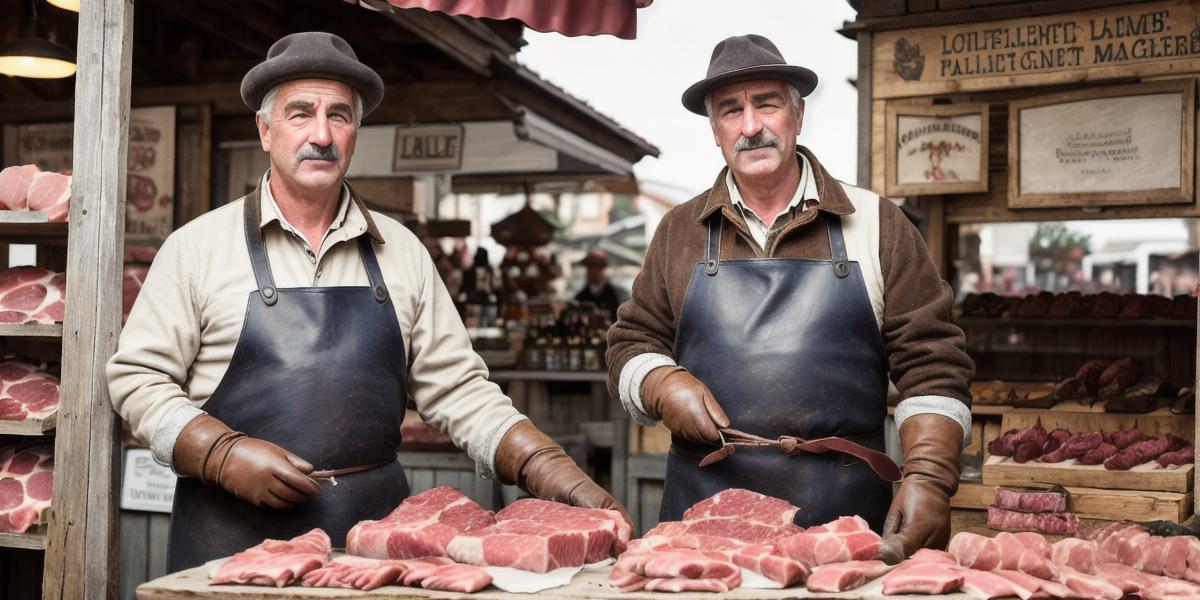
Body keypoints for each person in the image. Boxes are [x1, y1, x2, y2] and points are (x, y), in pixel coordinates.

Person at [107, 32, 626, 571]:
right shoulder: (196, 248)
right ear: (265, 130)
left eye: (340, 115)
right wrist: (217, 453)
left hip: (371, 542)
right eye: (300, 113)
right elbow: (137, 380)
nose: (322, 135)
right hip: (228, 543)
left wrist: (547, 465)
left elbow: (459, 390)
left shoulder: (400, 251)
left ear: (356, 132)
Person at [605, 34, 974, 563]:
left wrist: (930, 476)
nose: (750, 126)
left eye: (767, 104)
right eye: (731, 111)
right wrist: (660, 381)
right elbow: (629, 344)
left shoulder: (876, 223)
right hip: (703, 525)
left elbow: (934, 362)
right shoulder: (678, 231)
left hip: (844, 524)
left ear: (798, 115)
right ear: (715, 132)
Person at [574, 248, 621, 318]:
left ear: (602, 269)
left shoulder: (612, 293)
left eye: (596, 268)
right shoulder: (581, 296)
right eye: (589, 268)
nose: (591, 272)